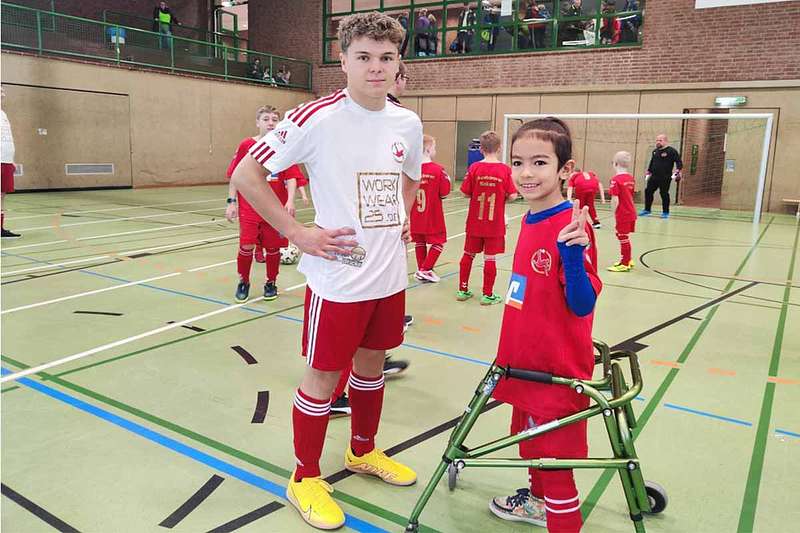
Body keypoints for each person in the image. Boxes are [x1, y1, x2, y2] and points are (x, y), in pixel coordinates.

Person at [231, 12, 422, 530]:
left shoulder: (407, 122)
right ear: (343, 60)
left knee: (371, 368)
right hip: (338, 280)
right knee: (322, 377)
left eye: (386, 58)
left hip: (389, 276)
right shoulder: (315, 118)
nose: (376, 67)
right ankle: (304, 477)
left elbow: (410, 178)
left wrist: (400, 216)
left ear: (398, 62)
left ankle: (362, 451)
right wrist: (297, 233)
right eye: (364, 57)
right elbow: (247, 174)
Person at [489, 117, 601, 532]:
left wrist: (572, 254)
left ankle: (558, 514)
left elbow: (582, 303)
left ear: (564, 170)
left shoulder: (571, 227)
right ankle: (537, 503)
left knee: (556, 466)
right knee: (533, 444)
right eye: (518, 162)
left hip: (554, 371)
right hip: (525, 363)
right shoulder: (529, 219)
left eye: (539, 163)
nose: (526, 173)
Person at [225, 105, 301, 303]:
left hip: (274, 207)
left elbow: (291, 176)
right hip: (250, 206)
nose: (270, 123)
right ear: (257, 122)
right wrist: (231, 202)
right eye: (266, 119)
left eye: (274, 119)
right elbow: (235, 175)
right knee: (247, 245)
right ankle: (243, 281)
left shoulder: (283, 146)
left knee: (273, 248)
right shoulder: (246, 145)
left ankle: (271, 282)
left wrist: (290, 200)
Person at [457, 130, 518, 305]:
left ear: (481, 149)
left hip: (475, 222)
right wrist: (501, 198)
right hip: (494, 223)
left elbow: (464, 193)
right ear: (499, 148)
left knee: (468, 254)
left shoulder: (474, 168)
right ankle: (487, 294)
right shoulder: (505, 170)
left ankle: (462, 290)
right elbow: (513, 196)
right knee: (490, 258)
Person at [412, 134, 451, 282]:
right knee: (439, 242)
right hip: (432, 215)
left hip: (416, 214)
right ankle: (425, 269)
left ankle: (420, 269)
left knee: (420, 241)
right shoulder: (438, 170)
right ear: (428, 149)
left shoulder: (411, 170)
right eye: (434, 147)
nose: (435, 150)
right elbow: (445, 193)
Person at [640, 133, 683, 219]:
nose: (658, 142)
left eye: (660, 140)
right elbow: (652, 162)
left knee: (664, 193)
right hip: (654, 177)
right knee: (648, 191)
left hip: (665, 177)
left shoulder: (672, 151)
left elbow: (679, 162)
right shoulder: (655, 151)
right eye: (657, 140)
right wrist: (648, 171)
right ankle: (647, 210)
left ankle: (665, 212)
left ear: (666, 141)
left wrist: (677, 171)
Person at [607, 151, 637, 272]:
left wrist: (614, 213)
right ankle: (628, 259)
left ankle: (625, 263)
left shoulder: (615, 180)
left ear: (615, 164)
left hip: (623, 213)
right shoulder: (631, 178)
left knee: (622, 236)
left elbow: (615, 199)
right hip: (631, 211)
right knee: (623, 235)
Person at [1, 86, 20, 239]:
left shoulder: (3, 114)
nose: (2, 93)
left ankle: (0, 228)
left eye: (3, 91)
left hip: (7, 161)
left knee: (2, 195)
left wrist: (12, 160)